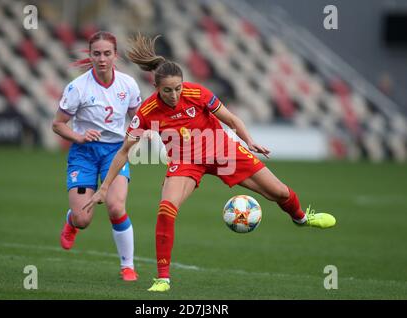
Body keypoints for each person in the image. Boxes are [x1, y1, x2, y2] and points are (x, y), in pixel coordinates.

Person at [83, 34, 336, 291]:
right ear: (157, 88)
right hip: (185, 161)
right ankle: (162, 278)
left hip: (222, 150)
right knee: (166, 208)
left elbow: (232, 120)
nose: (174, 95)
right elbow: (125, 151)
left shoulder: (197, 93)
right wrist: (104, 187)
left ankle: (302, 218)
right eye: (167, 90)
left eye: (178, 88)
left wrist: (248, 141)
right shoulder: (147, 111)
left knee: (280, 192)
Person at [52, 31, 141, 281]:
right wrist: (78, 137)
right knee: (83, 220)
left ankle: (128, 266)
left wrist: (145, 132)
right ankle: (72, 221)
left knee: (115, 206)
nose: (102, 59)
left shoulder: (128, 84)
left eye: (107, 54)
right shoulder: (77, 87)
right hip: (84, 152)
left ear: (115, 56)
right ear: (90, 55)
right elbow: (57, 124)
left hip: (115, 151)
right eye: (97, 54)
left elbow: (138, 117)